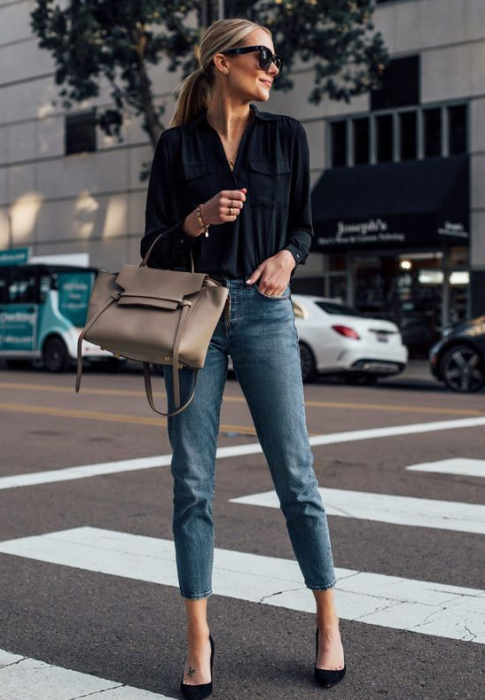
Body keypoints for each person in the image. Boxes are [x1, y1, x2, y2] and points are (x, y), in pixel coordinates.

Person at [141, 17, 346, 699]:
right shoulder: (176, 147)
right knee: (192, 482)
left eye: (276, 57)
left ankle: (327, 623)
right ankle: (198, 638)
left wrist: (289, 258)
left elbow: (303, 226)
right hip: (196, 316)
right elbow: (155, 248)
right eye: (263, 55)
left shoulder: (287, 135)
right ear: (223, 62)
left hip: (261, 313)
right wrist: (197, 221)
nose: (274, 66)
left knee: (296, 474)